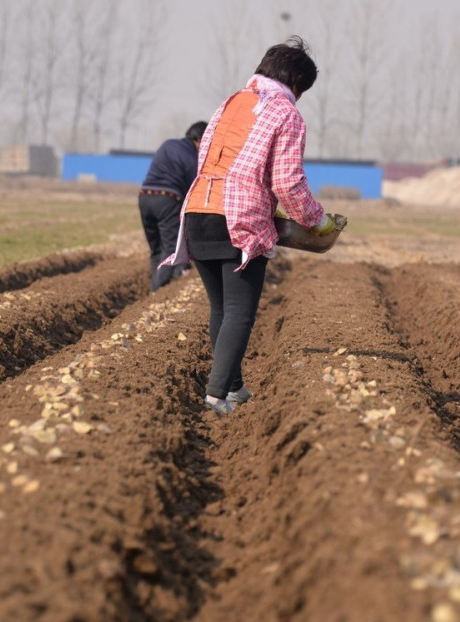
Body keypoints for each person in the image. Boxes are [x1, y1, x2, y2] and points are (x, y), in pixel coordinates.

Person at [161, 36, 336, 416]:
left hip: (197, 212)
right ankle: (215, 395)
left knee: (221, 308)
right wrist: (317, 220)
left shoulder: (230, 102)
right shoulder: (286, 114)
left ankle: (234, 386)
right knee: (239, 311)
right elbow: (287, 183)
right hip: (239, 218)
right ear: (296, 84)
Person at [138, 120, 208, 292]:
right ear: (200, 140)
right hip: (167, 199)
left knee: (156, 248)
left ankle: (155, 286)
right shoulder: (194, 159)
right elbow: (194, 192)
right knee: (170, 249)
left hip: (144, 197)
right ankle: (156, 291)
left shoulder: (168, 144)